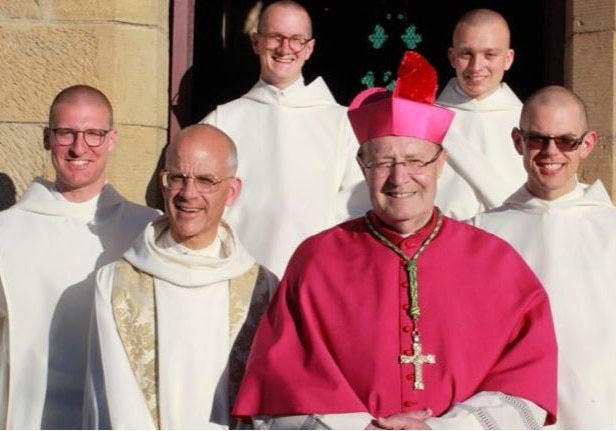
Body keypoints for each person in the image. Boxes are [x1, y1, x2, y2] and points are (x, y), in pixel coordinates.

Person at [232, 51, 557, 429]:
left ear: (440, 163)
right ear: (361, 167)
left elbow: (528, 382)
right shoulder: (317, 259)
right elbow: (281, 383)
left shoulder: (496, 260)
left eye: (416, 161)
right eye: (382, 162)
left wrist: (444, 428)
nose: (399, 178)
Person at [471, 85, 616, 429]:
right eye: (537, 139)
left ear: (587, 144)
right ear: (518, 141)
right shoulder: (483, 233)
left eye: (566, 140)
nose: (551, 152)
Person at [83, 124, 278, 429]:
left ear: (232, 191)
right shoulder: (116, 283)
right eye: (177, 178)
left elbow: (268, 400)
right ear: (163, 184)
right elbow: (111, 400)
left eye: (205, 180)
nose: (189, 194)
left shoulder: (260, 288)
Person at [0, 85, 160, 429]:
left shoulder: (147, 230)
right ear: (46, 138)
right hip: (27, 416)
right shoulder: (6, 231)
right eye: (66, 133)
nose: (78, 147)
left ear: (112, 139)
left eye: (93, 134)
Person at [200, 0, 370, 278]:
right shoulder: (222, 121)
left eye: (296, 40)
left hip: (316, 278)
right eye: (275, 37)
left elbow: (356, 209)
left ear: (309, 48)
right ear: (256, 42)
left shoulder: (343, 124)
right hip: (235, 278)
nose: (284, 48)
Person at [434, 8, 526, 220]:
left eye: (490, 54)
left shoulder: (531, 122)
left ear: (508, 58)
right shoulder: (423, 120)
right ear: (452, 57)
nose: (477, 66)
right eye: (466, 54)